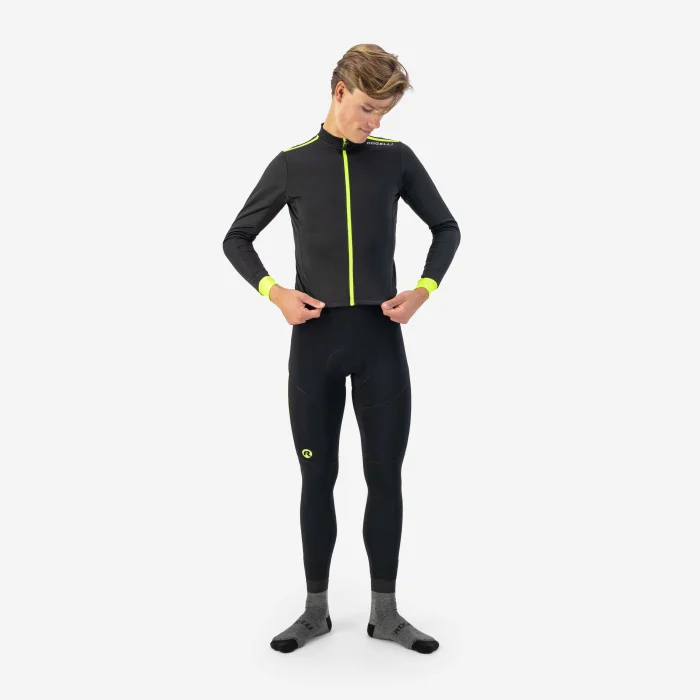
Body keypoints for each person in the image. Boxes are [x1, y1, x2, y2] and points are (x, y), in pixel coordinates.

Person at [222, 44, 460, 654]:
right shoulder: (293, 164)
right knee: (316, 478)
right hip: (315, 344)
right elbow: (237, 238)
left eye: (384, 113)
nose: (374, 122)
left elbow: (446, 227)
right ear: (338, 91)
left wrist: (424, 290)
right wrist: (275, 292)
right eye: (367, 108)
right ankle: (315, 612)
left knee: (386, 478)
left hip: (381, 342)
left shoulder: (396, 159)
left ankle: (386, 614)